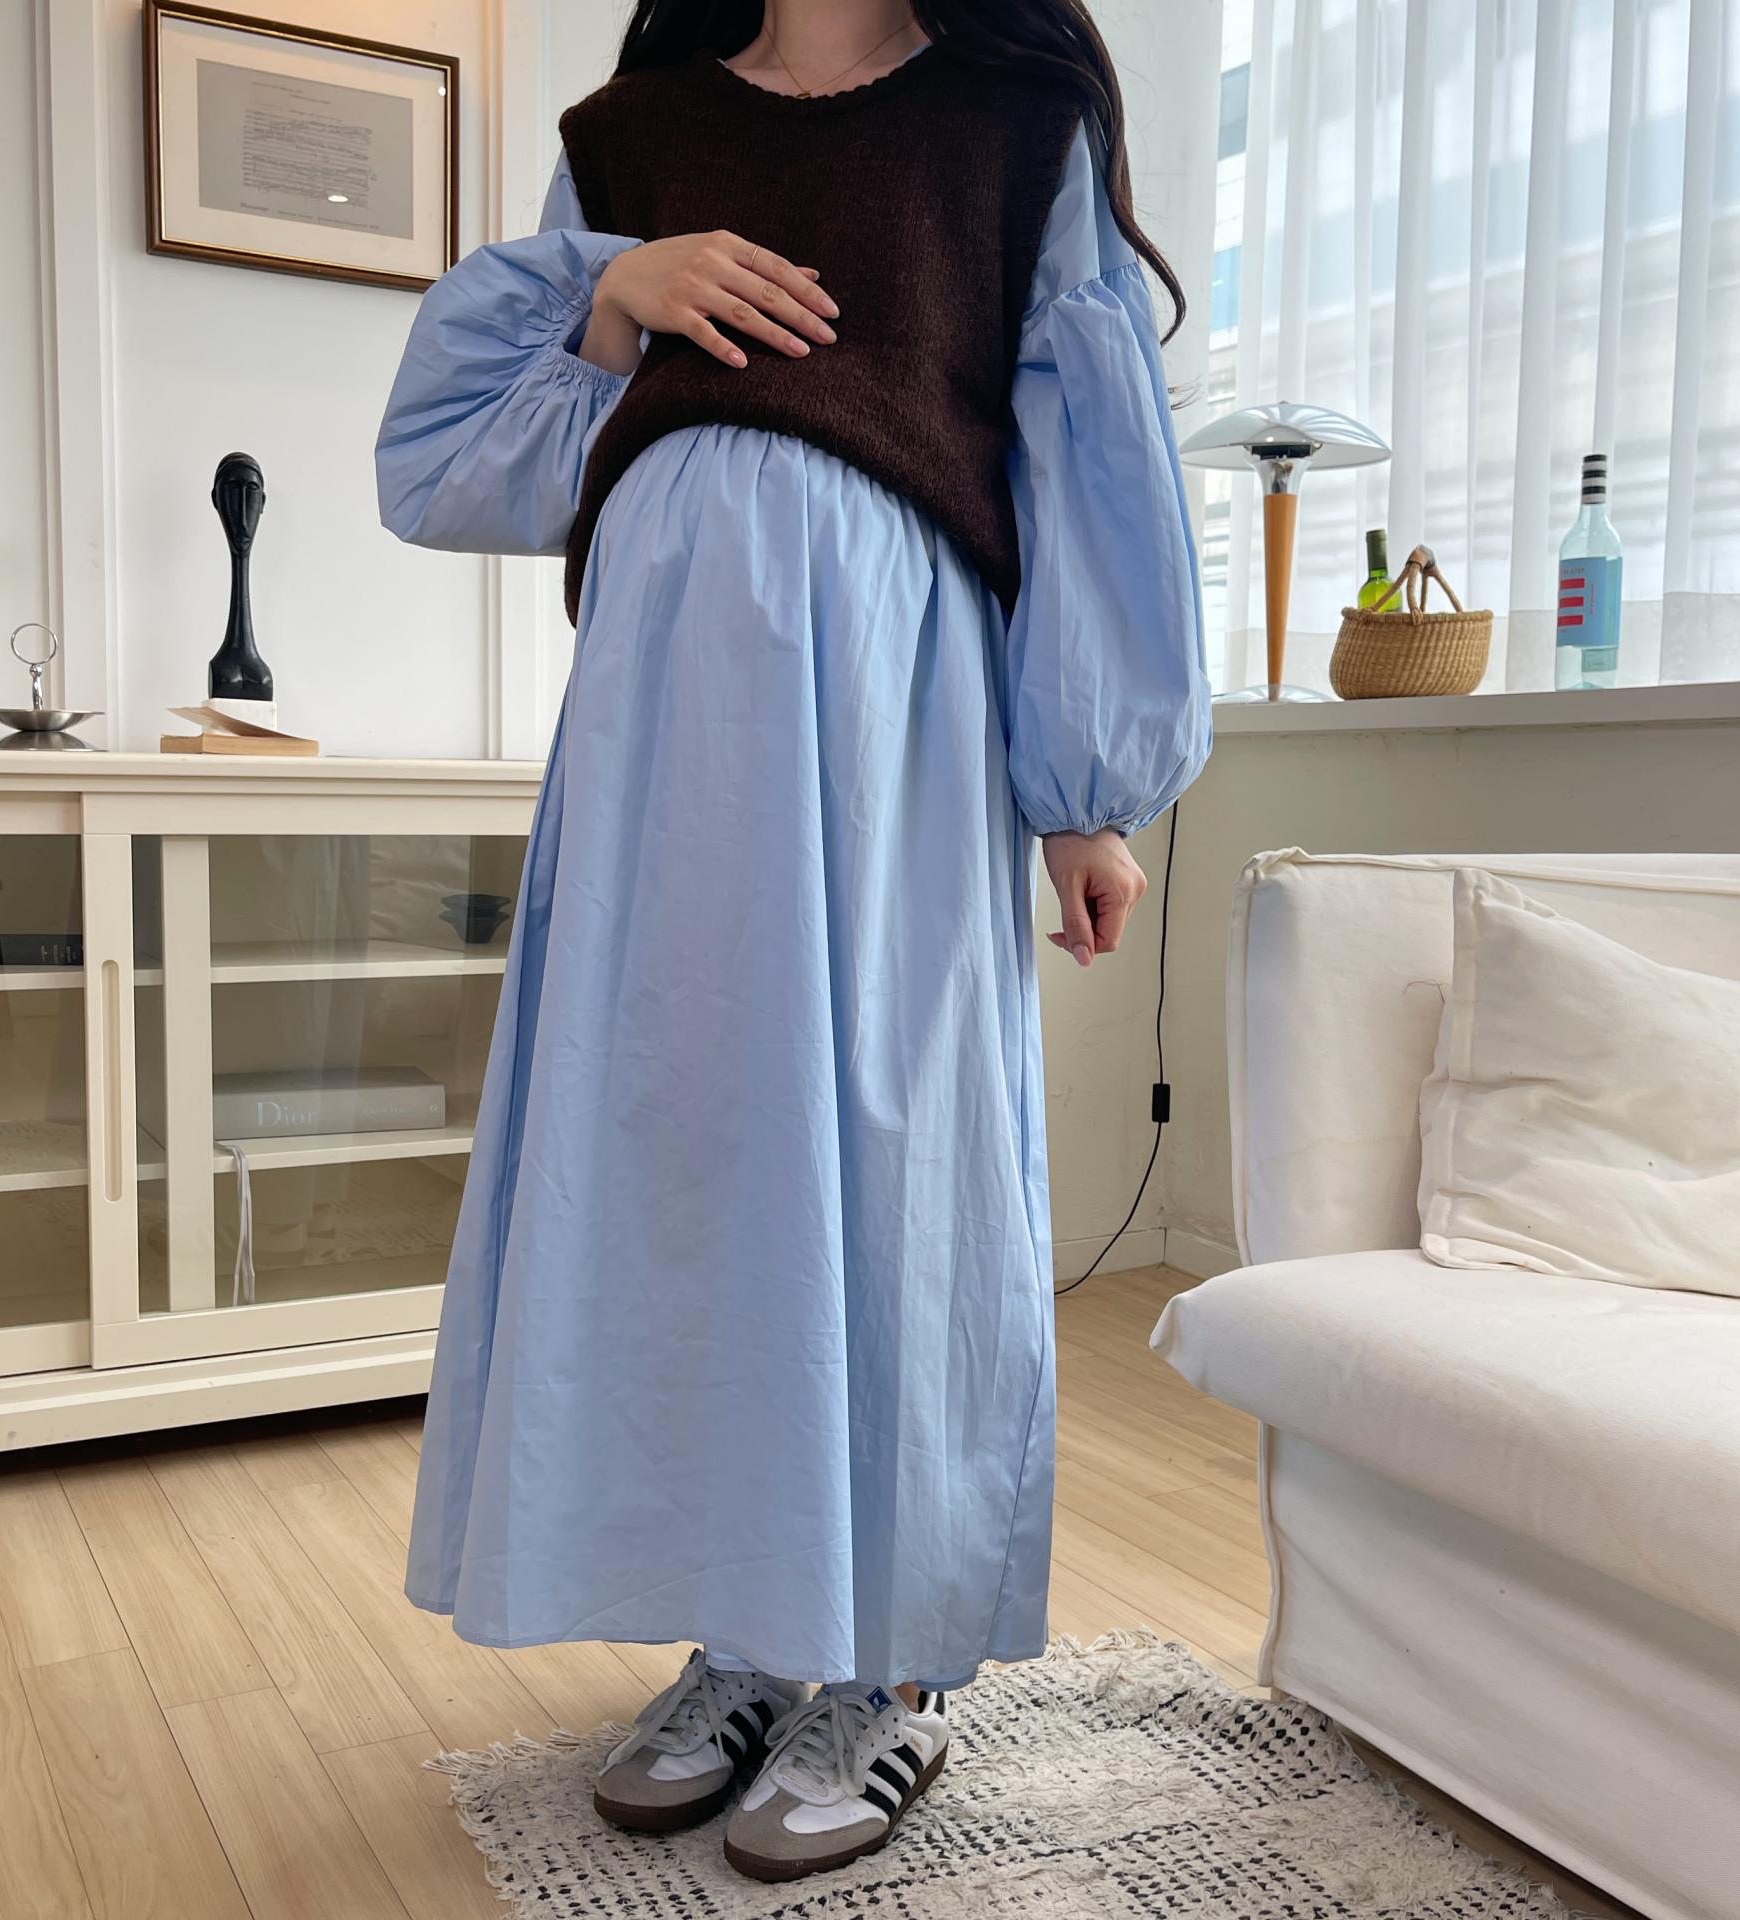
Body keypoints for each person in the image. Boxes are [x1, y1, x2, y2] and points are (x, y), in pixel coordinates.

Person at [375, 0, 1209, 1885]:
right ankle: (751, 1629)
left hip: (896, 713)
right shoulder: (629, 135)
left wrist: (1086, 788)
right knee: (684, 1154)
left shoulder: (1011, 120)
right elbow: (457, 464)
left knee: (891, 1163)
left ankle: (890, 1663)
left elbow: (1083, 448)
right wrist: (612, 293)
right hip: (660, 730)